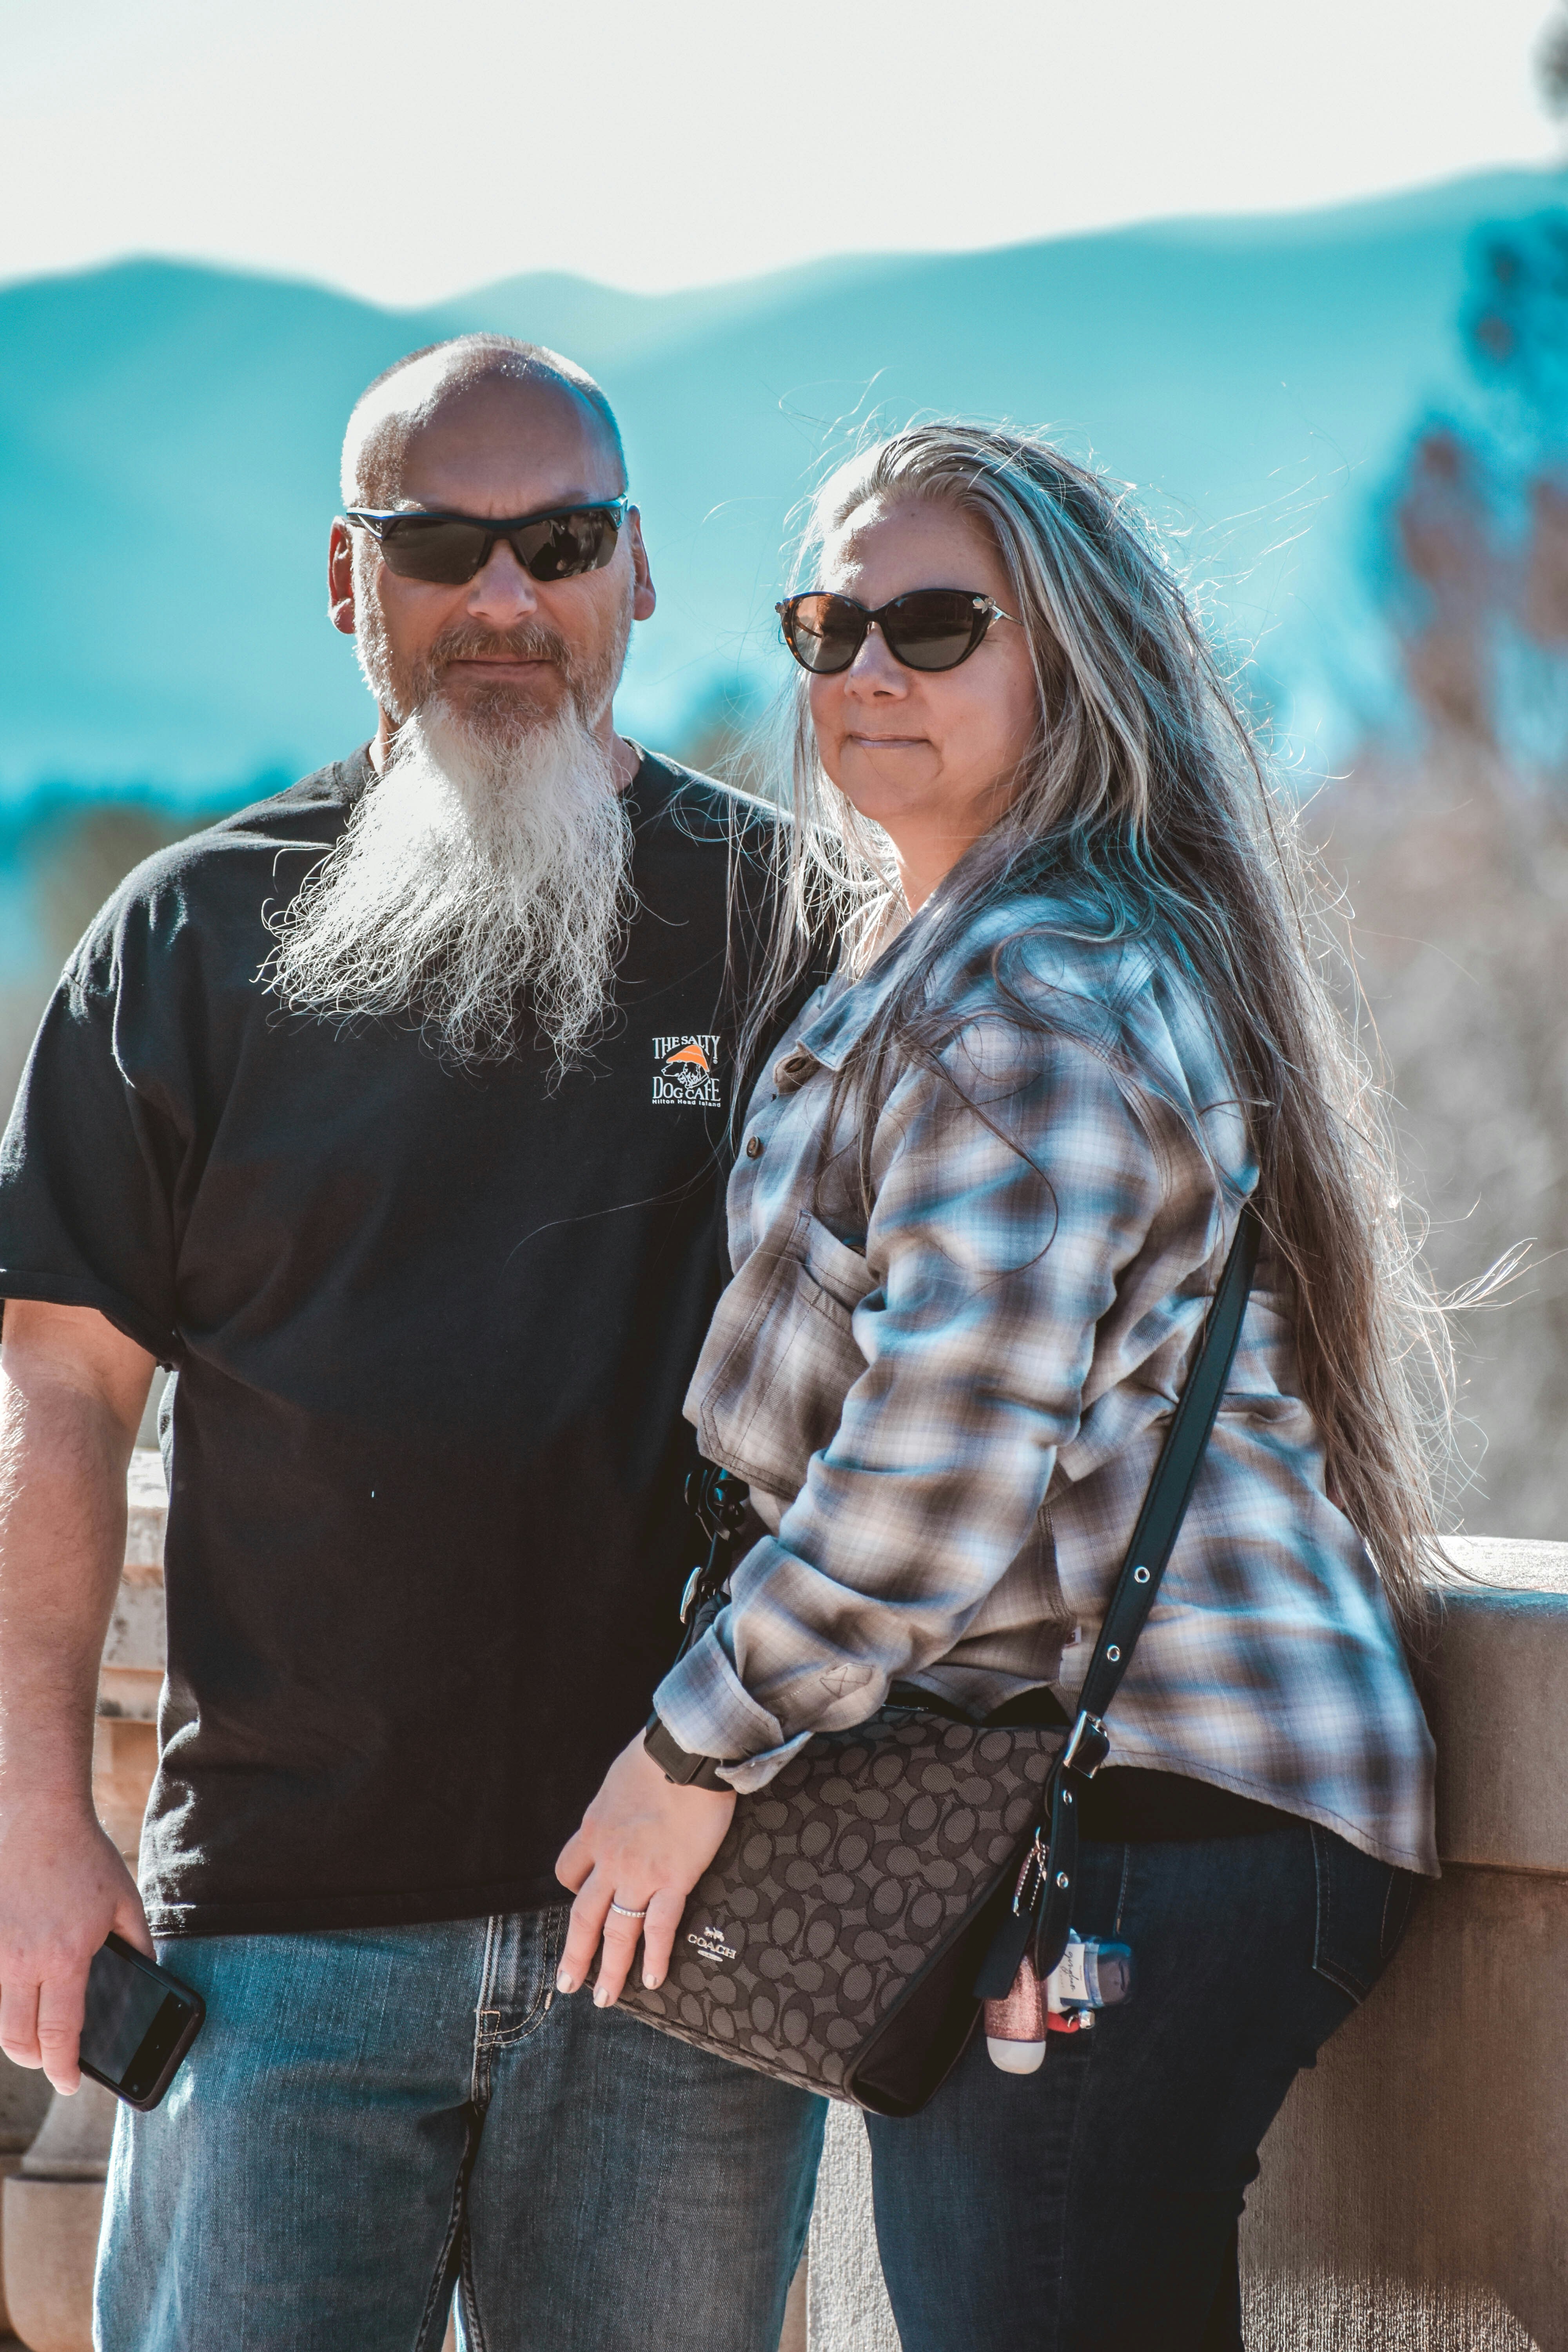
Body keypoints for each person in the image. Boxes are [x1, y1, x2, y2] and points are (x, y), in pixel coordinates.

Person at [558, 423, 1443, 2351]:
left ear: (1070, 664)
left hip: (1147, 1821)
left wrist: (685, 1756)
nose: (865, 671)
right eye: (830, 624)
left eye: (936, 626)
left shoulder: (1025, 997)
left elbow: (929, 1488)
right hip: (1125, 1812)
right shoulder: (968, 957)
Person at [0, 334, 824, 2352]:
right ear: (350, 580)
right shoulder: (188, 939)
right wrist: (30, 1808)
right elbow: (58, 1387)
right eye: (445, 545)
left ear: (637, 573)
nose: (508, 599)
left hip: (686, 1930)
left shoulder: (787, 921)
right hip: (276, 1940)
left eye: (560, 540)